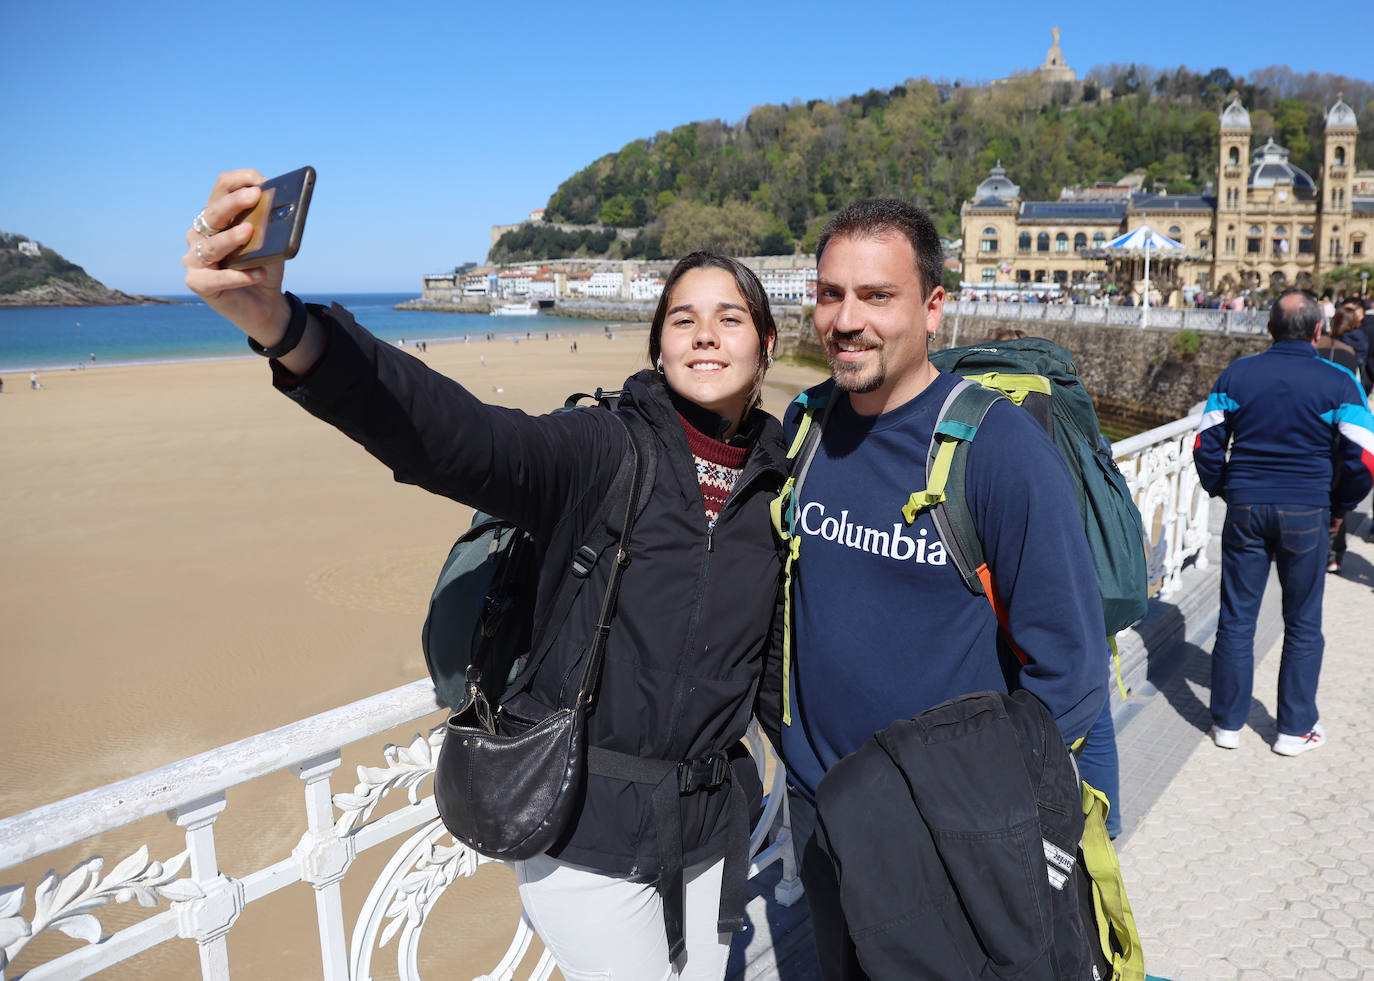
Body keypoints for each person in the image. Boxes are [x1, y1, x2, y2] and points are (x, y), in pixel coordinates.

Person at [183, 169, 788, 980]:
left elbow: (780, 666)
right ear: (658, 346)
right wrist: (289, 329)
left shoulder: (778, 490)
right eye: (683, 318)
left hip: (713, 830)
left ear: (767, 345)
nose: (705, 335)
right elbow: (456, 436)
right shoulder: (602, 450)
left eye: (730, 318)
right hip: (584, 834)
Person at [761, 198, 1107, 975]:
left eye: (877, 296)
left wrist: (1004, 822)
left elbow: (1072, 671)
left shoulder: (996, 449)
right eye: (830, 293)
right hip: (817, 804)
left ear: (934, 307)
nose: (846, 319)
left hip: (941, 825)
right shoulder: (806, 426)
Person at [1194, 290, 1374, 755]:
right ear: (1318, 331)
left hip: (1247, 507)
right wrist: (1338, 507)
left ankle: (1227, 725)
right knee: (1302, 621)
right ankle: (1294, 730)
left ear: (1268, 327)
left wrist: (1225, 488)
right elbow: (1364, 461)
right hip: (1307, 508)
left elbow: (1205, 444)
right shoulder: (1339, 381)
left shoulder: (1237, 373)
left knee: (1236, 619)